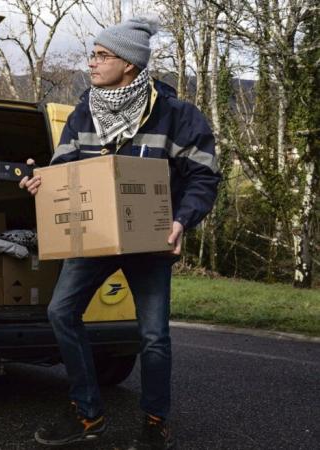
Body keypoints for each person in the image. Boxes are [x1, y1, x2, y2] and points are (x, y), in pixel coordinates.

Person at [21, 17, 220, 449]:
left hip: (151, 240)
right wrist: (43, 182)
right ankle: (88, 414)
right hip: (93, 237)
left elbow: (204, 176)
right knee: (61, 312)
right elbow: (64, 169)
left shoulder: (177, 115)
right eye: (92, 54)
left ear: (129, 63)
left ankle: (154, 421)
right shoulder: (83, 113)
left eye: (100, 55)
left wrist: (182, 219)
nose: (91, 63)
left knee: (153, 335)